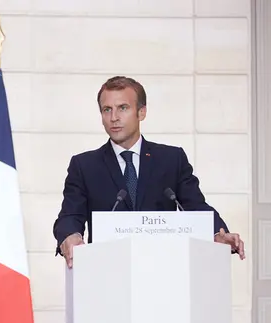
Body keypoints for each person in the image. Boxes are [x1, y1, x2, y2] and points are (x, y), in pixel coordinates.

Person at [52, 75, 245, 268]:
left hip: (164, 270)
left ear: (141, 112)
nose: (114, 118)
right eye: (107, 109)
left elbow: (195, 206)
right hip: (107, 273)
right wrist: (71, 236)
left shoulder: (171, 159)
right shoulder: (85, 165)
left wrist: (217, 234)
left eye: (123, 108)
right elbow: (70, 215)